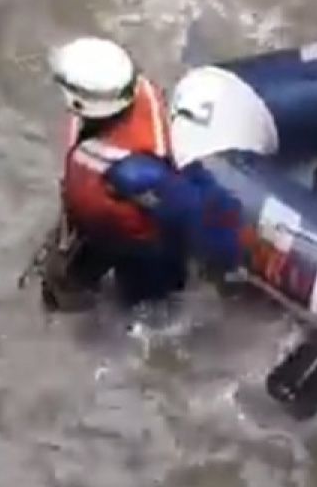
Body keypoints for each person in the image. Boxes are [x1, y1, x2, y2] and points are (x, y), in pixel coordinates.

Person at [43, 36, 202, 310]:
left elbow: (182, 212)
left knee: (144, 310)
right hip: (102, 225)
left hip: (140, 248)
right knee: (62, 288)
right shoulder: (133, 91)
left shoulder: (132, 171)